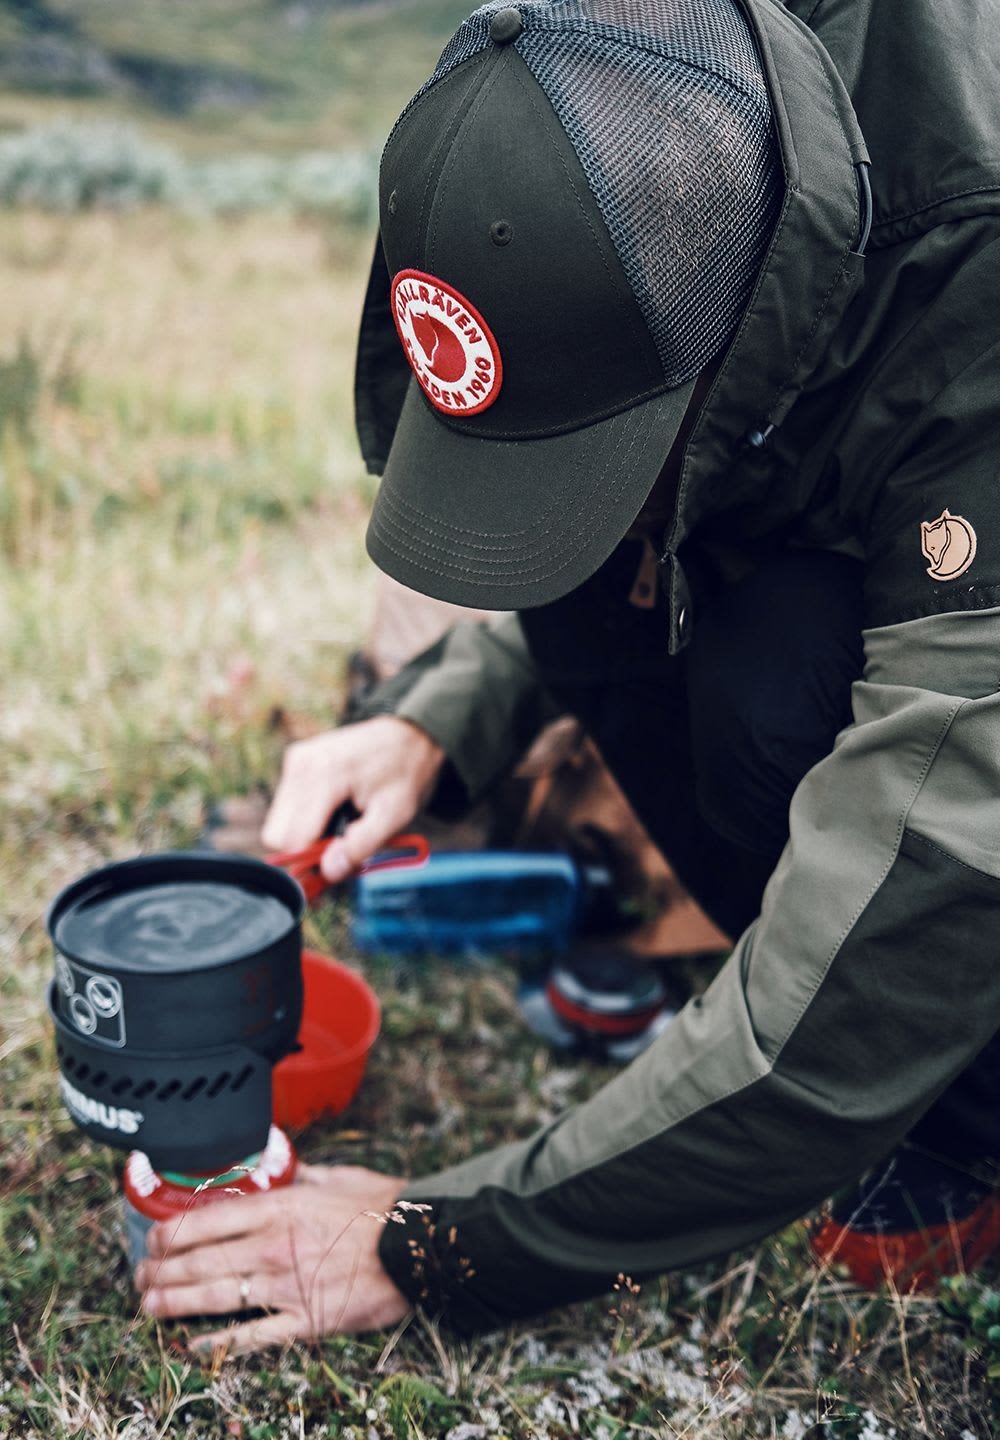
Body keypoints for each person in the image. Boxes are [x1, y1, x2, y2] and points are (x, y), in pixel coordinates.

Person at [135, 0, 1000, 1351]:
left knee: (776, 704)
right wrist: (436, 722)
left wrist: (440, 1246)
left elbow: (915, 893)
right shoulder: (624, 67)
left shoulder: (973, 285)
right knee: (616, 601)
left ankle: (971, 1128)